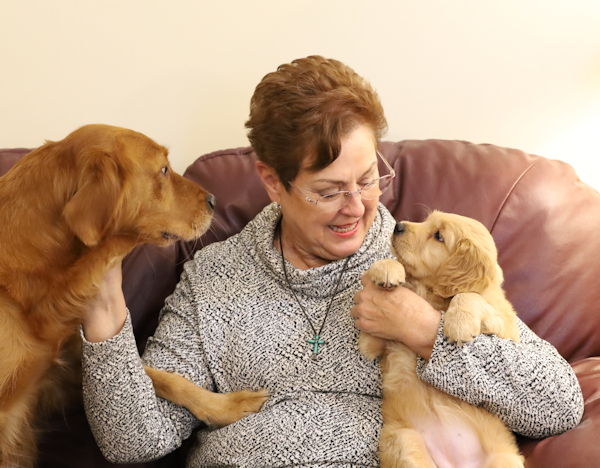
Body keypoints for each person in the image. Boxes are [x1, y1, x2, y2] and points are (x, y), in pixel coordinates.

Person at [81, 55, 583, 466]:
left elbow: (556, 404)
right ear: (273, 182)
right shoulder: (214, 277)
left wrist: (425, 330)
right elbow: (135, 439)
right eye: (329, 191)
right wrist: (102, 305)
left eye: (367, 179)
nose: (357, 205)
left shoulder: (429, 265)